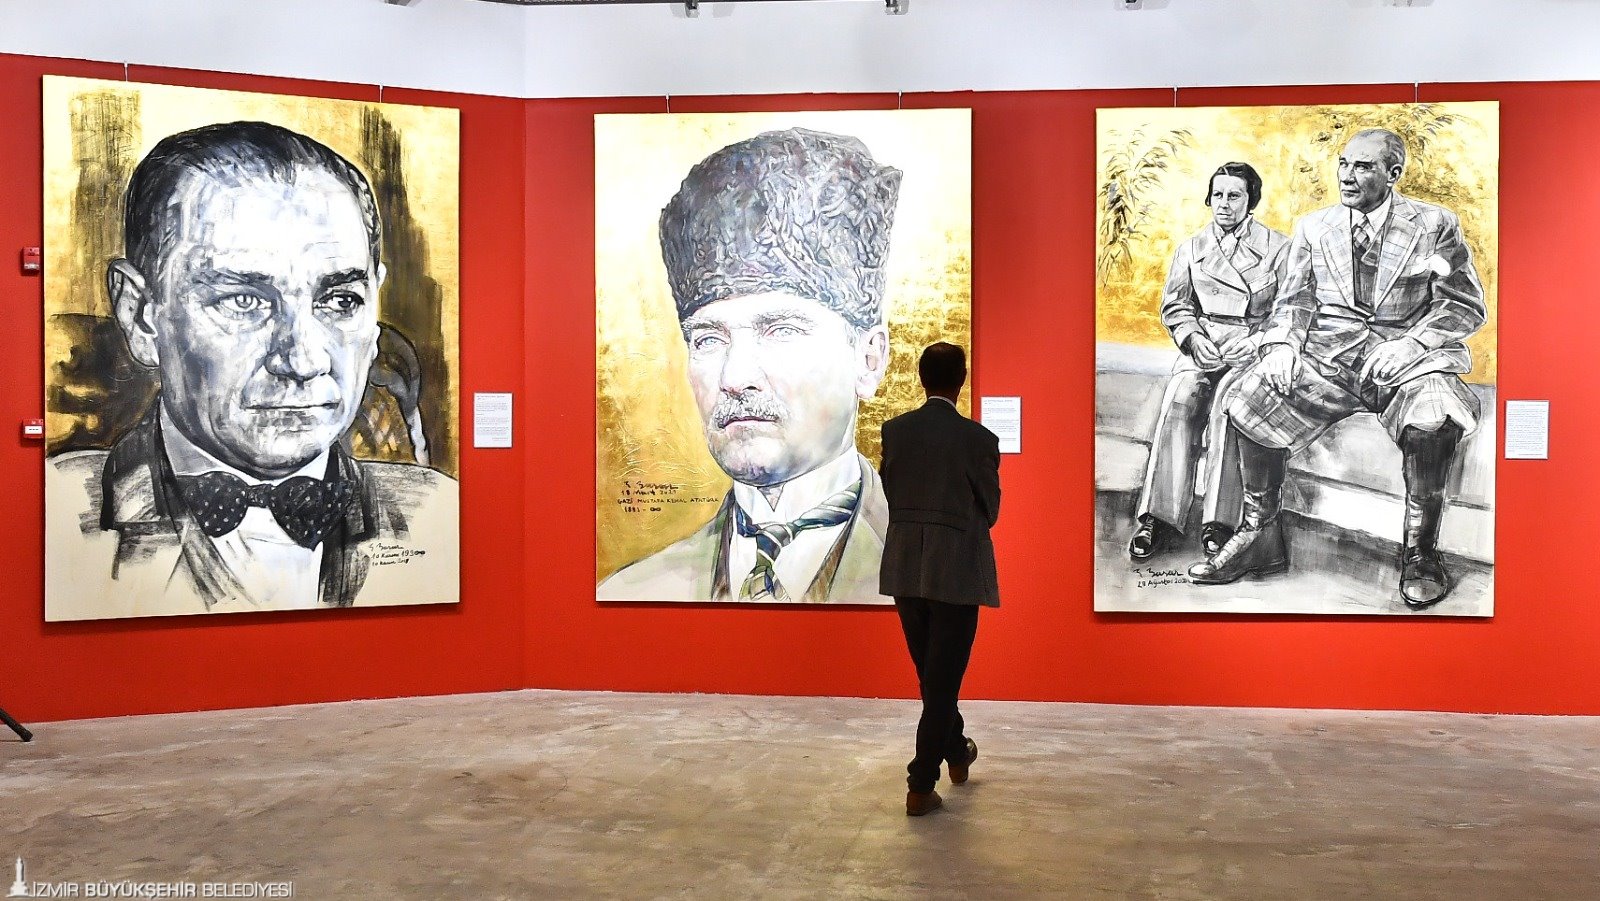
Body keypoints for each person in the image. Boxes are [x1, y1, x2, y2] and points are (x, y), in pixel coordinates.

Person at [45, 121, 458, 620]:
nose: (303, 361)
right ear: (141, 315)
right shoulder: (54, 512)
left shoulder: (441, 515)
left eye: (340, 300)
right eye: (243, 301)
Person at [598, 128, 902, 604]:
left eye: (781, 330)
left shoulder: (927, 581)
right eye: (708, 339)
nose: (735, 378)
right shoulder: (636, 591)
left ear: (869, 359)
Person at [1189, 128, 1486, 609]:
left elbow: (1463, 305)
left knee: (1434, 417)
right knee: (1249, 394)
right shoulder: (1314, 226)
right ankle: (1261, 536)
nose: (1347, 176)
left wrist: (1411, 344)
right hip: (1329, 358)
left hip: (1410, 363)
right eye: (1344, 164)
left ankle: (1420, 554)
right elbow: (1293, 302)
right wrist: (1282, 344)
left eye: (1363, 167)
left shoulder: (1435, 224)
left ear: (1393, 174)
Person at [1130, 162, 1289, 561]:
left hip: (1251, 353)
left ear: (1251, 200)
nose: (1224, 204)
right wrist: (1193, 338)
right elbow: (1176, 306)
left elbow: (1288, 312)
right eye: (1218, 195)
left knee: (1226, 409)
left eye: (1234, 195)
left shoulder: (1279, 248)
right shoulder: (1191, 248)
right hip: (1204, 348)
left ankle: (1220, 523)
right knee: (1180, 398)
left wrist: (1257, 343)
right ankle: (1158, 517)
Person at [879, 342, 1001, 816]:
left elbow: (892, 492)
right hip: (955, 568)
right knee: (942, 682)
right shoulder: (978, 439)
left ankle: (957, 751)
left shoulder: (895, 431)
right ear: (961, 380)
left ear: (921, 377)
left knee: (932, 678)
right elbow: (990, 508)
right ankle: (920, 784)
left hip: (905, 566)